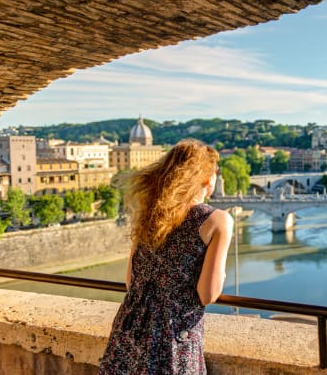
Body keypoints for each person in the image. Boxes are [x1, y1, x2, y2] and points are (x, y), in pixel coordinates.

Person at [99, 139, 234, 374]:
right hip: (172, 336)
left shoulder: (149, 214)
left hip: (128, 330)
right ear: (207, 179)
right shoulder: (217, 220)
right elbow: (207, 294)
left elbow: (131, 282)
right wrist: (219, 273)